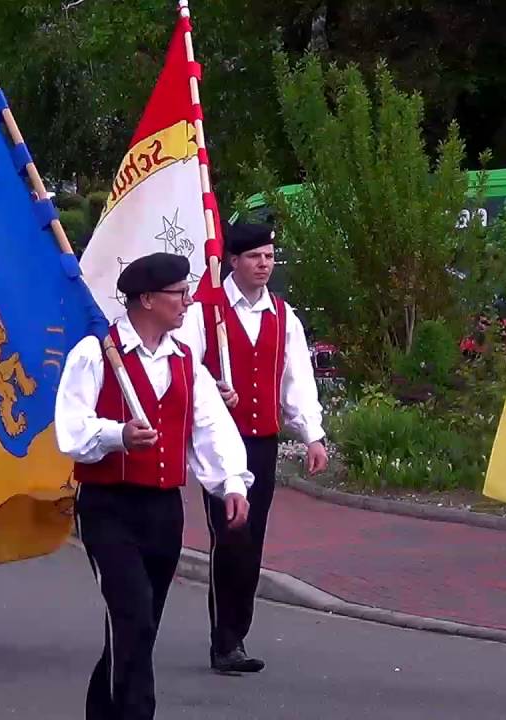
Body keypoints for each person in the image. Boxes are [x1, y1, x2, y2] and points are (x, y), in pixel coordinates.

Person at [56, 252, 253, 720]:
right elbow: (70, 428)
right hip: (109, 507)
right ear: (146, 299)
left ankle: (104, 712)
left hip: (164, 511)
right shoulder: (95, 353)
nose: (188, 301)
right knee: (132, 617)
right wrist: (116, 434)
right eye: (178, 294)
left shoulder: (186, 361)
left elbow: (211, 427)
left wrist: (231, 482)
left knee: (140, 629)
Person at [178, 223, 327, 673]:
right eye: (255, 257)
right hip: (219, 440)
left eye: (269, 257)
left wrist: (312, 434)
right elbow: (182, 364)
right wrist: (209, 388)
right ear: (233, 262)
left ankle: (235, 634)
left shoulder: (283, 316)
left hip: (261, 440)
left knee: (253, 538)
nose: (265, 265)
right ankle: (225, 641)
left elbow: (297, 378)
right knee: (231, 535)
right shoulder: (205, 312)